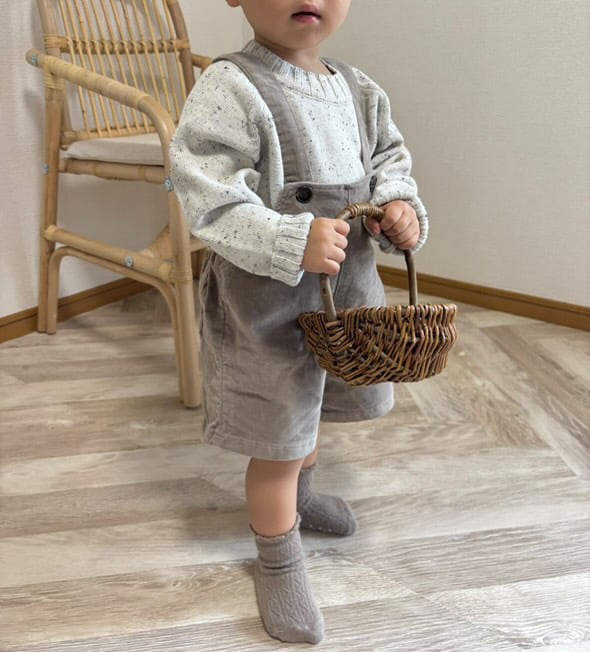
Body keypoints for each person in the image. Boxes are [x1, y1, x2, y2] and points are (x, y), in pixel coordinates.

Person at [170, 0, 428, 644]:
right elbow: (207, 196)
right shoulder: (229, 87)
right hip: (265, 304)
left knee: (314, 409)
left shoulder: (360, 91)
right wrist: (289, 238)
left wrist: (397, 208)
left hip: (346, 298)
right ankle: (279, 560)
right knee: (278, 438)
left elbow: (391, 162)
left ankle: (302, 500)